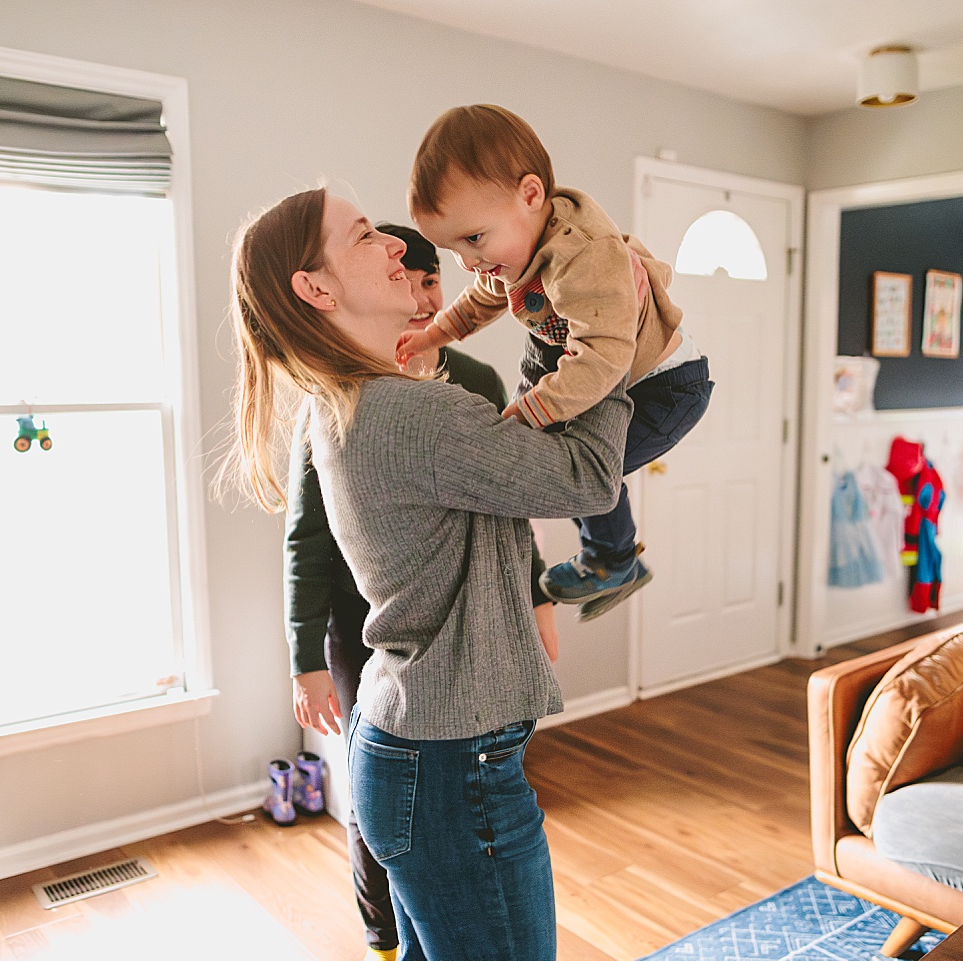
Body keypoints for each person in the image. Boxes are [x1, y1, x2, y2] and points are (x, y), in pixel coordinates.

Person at [228, 187, 631, 961]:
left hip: (419, 752)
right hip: (453, 772)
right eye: (362, 237)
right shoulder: (406, 413)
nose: (394, 246)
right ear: (316, 288)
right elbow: (585, 479)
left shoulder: (357, 402)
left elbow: (514, 491)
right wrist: (612, 337)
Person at [281, 222, 560, 961]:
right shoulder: (369, 405)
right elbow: (304, 540)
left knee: (406, 826)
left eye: (431, 276)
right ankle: (381, 938)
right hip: (370, 626)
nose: (421, 287)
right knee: (388, 819)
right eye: (376, 244)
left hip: (438, 693)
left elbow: (508, 505)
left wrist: (536, 597)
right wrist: (303, 655)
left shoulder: (469, 383)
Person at [396, 104, 714, 621]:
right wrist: (435, 332)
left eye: (473, 239)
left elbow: (605, 355)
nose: (469, 262)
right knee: (565, 464)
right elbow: (483, 298)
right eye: (452, 249)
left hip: (666, 386)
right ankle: (611, 556)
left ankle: (612, 559)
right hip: (623, 376)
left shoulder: (584, 255)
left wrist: (531, 410)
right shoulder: (516, 247)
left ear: (531, 194)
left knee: (577, 471)